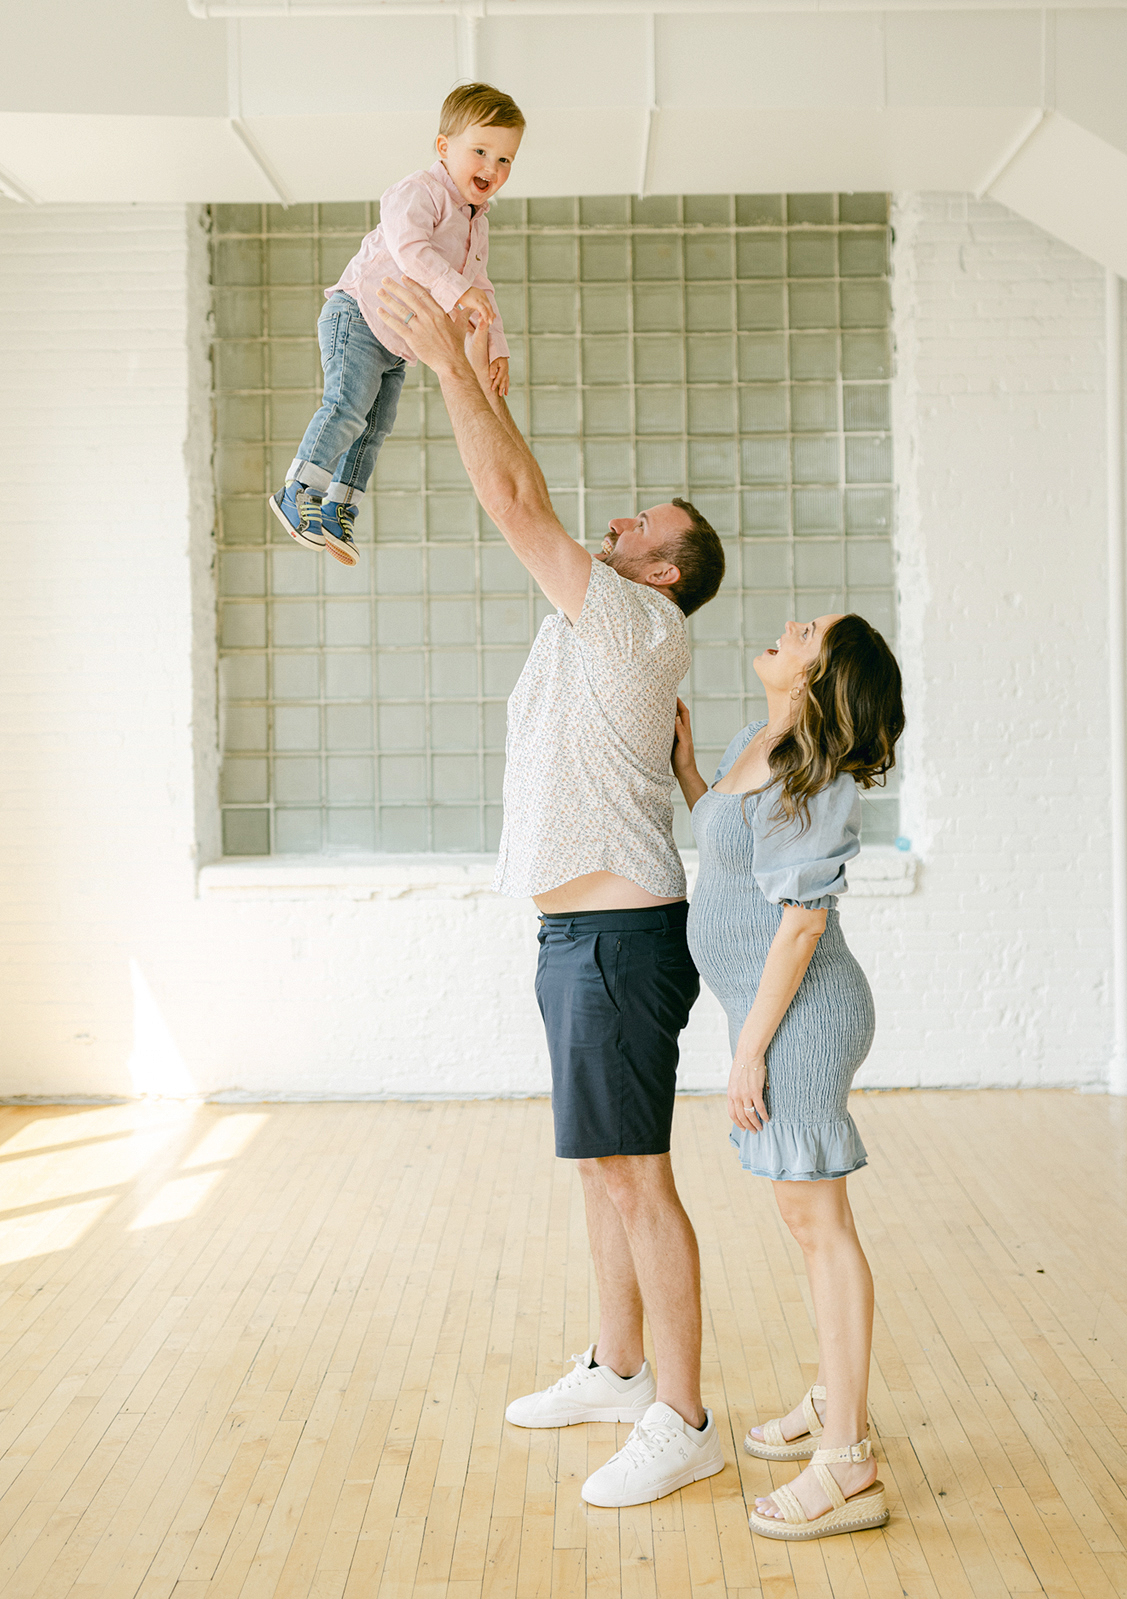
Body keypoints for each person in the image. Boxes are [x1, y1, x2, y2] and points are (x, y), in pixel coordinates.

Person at [374, 272, 729, 1509]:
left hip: (620, 943)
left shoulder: (633, 625)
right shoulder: (596, 621)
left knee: (639, 1177)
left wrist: (451, 370)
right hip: (579, 936)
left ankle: (684, 1419)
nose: (617, 527)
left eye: (641, 528)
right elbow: (523, 492)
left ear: (666, 575)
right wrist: (488, 394)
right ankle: (621, 1370)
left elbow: (515, 501)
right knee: (601, 1170)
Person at [671, 612, 904, 1542]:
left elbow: (800, 925)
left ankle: (846, 1461)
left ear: (823, 677)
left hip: (799, 1020)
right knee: (803, 1221)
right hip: (771, 1018)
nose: (794, 622)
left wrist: (750, 1048)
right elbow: (724, 838)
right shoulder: (755, 743)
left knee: (820, 1227)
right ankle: (835, 1398)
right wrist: (690, 763)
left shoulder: (816, 775)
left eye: (816, 631)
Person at [267, 82, 523, 567]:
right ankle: (298, 488)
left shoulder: (477, 222)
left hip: (398, 341)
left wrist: (497, 348)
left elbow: (480, 287)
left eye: (506, 159)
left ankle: (338, 507)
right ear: (444, 148)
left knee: (375, 426)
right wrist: (457, 290)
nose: (492, 168)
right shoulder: (418, 192)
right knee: (346, 407)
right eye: (482, 151)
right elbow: (411, 251)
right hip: (359, 316)